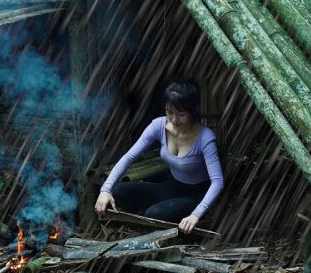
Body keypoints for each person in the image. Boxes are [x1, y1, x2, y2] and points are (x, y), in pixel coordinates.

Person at [94, 79, 224, 234]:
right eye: (169, 112)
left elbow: (217, 182)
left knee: (154, 214)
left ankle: (170, 221)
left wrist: (196, 214)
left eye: (181, 114)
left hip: (194, 196)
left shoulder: (205, 138)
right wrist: (105, 189)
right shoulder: (158, 126)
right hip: (169, 187)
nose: (174, 119)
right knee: (118, 191)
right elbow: (129, 157)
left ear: (193, 110)